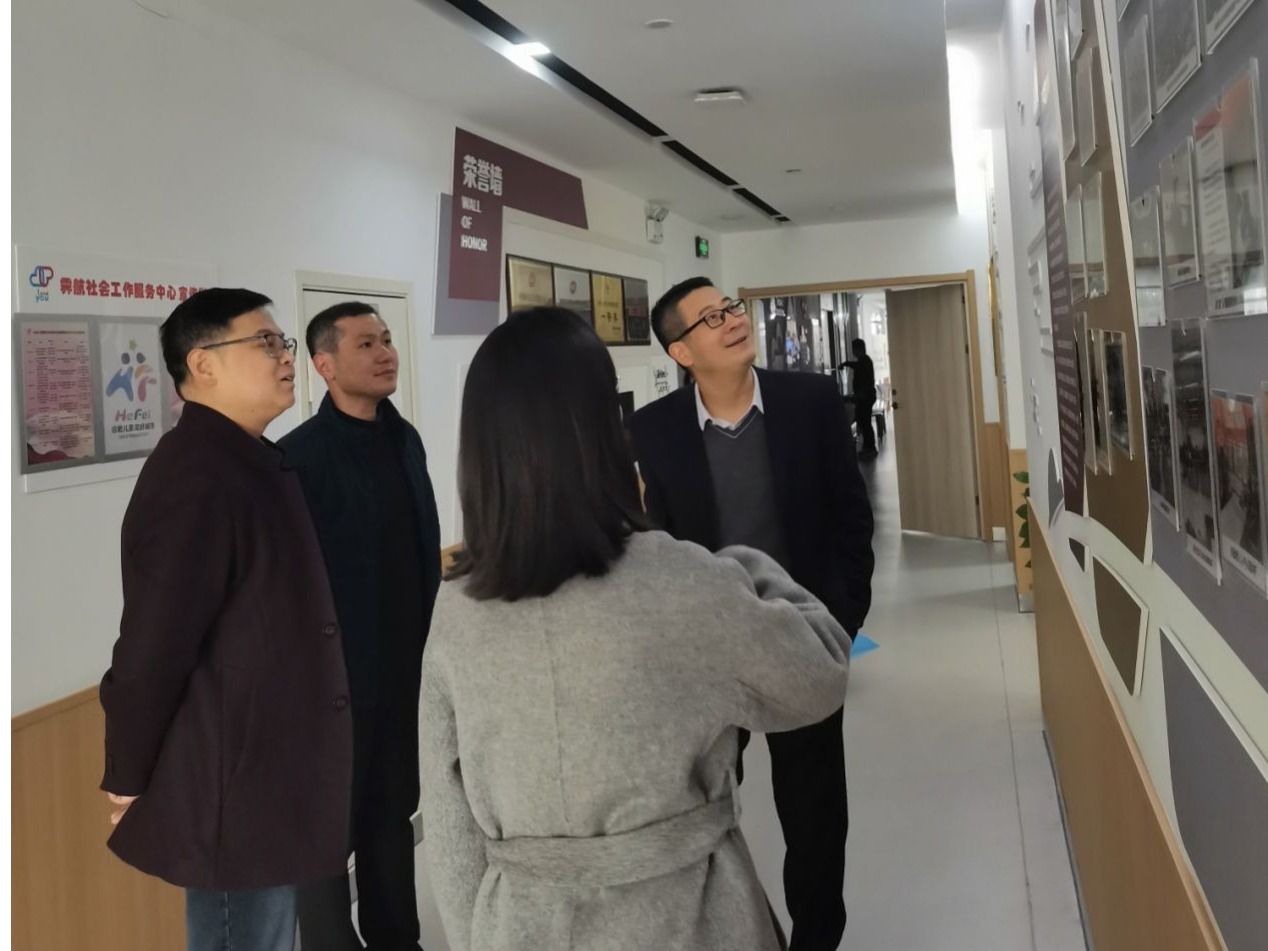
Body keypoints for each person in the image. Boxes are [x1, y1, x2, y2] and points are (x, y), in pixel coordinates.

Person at [419, 307, 853, 951]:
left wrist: (478, 936)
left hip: (522, 923)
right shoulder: (682, 579)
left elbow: (449, 819)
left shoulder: (457, 608)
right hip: (693, 916)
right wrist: (739, 563)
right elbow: (818, 676)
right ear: (604, 428)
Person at [99, 288, 353, 951]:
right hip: (234, 785)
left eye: (282, 342)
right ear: (203, 364)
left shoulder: (246, 460)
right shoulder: (197, 475)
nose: (286, 357)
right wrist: (128, 771)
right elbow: (153, 645)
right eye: (265, 342)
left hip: (263, 769)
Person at [629, 278, 874, 951]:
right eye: (711, 318)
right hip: (708, 658)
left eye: (731, 308)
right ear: (681, 351)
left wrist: (840, 623)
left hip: (799, 644)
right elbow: (655, 548)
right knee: (700, 814)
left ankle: (816, 940)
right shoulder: (651, 431)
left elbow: (852, 520)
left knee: (816, 819)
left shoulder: (810, 403)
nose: (733, 320)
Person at [280, 302, 442, 951]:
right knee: (325, 837)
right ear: (324, 365)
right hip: (332, 691)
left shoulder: (406, 439)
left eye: (387, 340)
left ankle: (398, 939)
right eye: (366, 344)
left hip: (404, 677)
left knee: (391, 820)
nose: (385, 353)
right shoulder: (297, 459)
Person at [839, 338, 878, 459]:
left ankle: (870, 448)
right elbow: (856, 366)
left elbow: (861, 374)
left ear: (858, 349)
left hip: (865, 397)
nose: (853, 352)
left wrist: (845, 364)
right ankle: (868, 447)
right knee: (864, 422)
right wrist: (846, 364)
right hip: (865, 396)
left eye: (854, 349)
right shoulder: (864, 361)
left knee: (865, 423)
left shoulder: (864, 361)